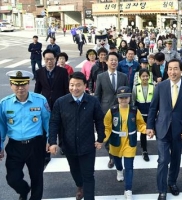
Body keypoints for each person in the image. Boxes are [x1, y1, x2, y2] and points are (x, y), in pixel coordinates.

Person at [48, 72, 105, 200]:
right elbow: (54, 122)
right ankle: (80, 185)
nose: (75, 88)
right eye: (72, 85)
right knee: (75, 171)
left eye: (78, 85)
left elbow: (100, 120)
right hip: (69, 146)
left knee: (89, 175)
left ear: (85, 85)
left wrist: (100, 138)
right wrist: (52, 142)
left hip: (88, 145)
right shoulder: (61, 102)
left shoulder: (92, 101)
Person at [146, 58, 182, 200]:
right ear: (167, 70)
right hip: (162, 128)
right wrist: (149, 126)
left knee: (175, 159)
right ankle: (161, 190)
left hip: (179, 131)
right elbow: (153, 107)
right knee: (163, 160)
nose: (172, 72)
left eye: (176, 69)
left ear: (181, 70)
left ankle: (172, 182)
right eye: (170, 69)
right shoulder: (160, 86)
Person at [0, 70, 50, 200]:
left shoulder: (40, 100)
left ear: (29, 84)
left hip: (35, 145)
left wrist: (51, 140)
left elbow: (48, 122)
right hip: (15, 146)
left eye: (23, 84)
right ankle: (24, 190)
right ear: (11, 85)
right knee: (12, 178)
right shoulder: (5, 103)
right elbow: (1, 126)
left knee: (37, 177)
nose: (20, 88)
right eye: (16, 84)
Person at [103, 86, 146, 200]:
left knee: (129, 167)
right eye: (121, 98)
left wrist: (146, 130)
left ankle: (128, 190)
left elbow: (141, 124)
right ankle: (119, 170)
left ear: (129, 98)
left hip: (129, 142)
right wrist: (104, 137)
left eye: (126, 97)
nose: (123, 100)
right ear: (117, 99)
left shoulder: (134, 110)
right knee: (117, 162)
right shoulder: (112, 111)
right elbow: (107, 126)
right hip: (116, 142)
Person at [94, 52, 129, 168]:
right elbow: (97, 95)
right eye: (111, 60)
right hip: (106, 110)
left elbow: (128, 94)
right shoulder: (101, 76)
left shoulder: (123, 76)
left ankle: (120, 151)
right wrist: (97, 111)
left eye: (115, 60)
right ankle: (111, 157)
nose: (114, 62)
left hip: (121, 109)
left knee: (120, 132)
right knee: (108, 134)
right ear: (107, 61)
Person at [34, 49, 69, 158]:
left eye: (51, 59)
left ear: (55, 59)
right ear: (44, 59)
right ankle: (46, 152)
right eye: (47, 59)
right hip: (45, 105)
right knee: (45, 128)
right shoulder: (39, 72)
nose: (49, 61)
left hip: (60, 104)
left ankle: (63, 146)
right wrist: (35, 103)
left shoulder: (62, 72)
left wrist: (67, 103)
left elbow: (66, 89)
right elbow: (37, 89)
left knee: (61, 127)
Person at [132, 68, 154, 161]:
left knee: (156, 131)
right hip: (140, 114)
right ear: (140, 77)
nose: (145, 78)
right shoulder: (136, 87)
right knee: (143, 132)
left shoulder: (153, 86)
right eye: (143, 76)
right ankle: (144, 150)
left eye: (146, 76)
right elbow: (133, 101)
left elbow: (156, 101)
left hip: (151, 114)